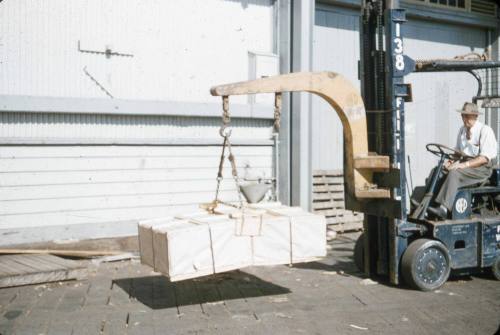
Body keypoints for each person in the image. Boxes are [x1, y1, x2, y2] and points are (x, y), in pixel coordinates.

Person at [428, 102, 498, 219]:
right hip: (468, 166)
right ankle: (429, 204)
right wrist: (450, 161)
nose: (464, 118)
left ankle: (444, 209)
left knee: (455, 174)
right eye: (463, 115)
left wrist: (463, 165)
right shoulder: (462, 130)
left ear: (475, 116)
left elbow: (484, 158)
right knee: (438, 170)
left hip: (482, 169)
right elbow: (458, 153)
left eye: (467, 115)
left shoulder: (485, 131)